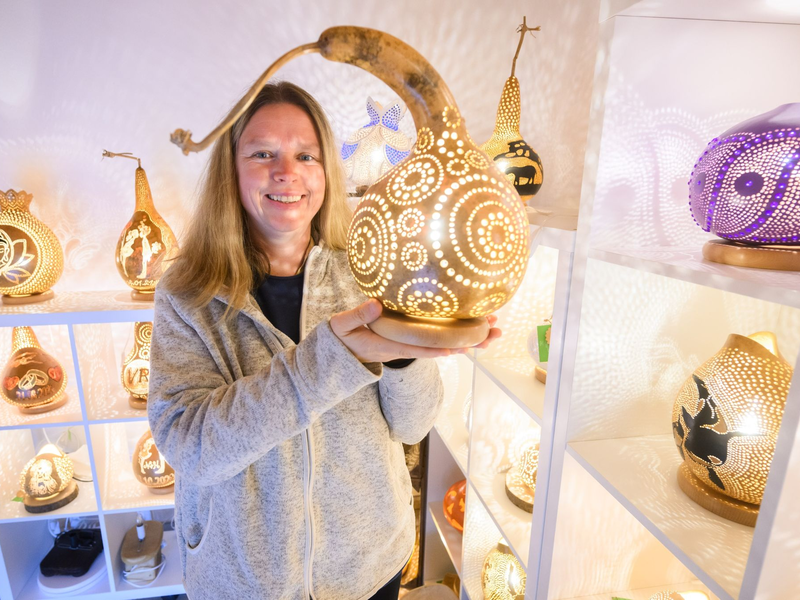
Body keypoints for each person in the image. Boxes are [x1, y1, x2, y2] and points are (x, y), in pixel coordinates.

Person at [147, 81, 499, 600]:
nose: (286, 172)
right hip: (246, 582)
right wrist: (334, 358)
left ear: (326, 172)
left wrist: (407, 352)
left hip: (367, 566)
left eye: (305, 155)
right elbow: (190, 446)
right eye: (262, 153)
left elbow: (413, 425)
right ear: (231, 171)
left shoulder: (371, 273)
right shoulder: (189, 293)